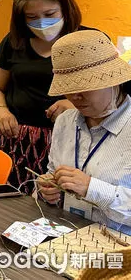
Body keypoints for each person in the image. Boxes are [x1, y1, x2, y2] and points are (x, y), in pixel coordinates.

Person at [0, 0, 88, 194]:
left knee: (55, 204)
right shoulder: (14, 41)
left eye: (50, 14)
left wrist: (75, 105)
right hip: (16, 138)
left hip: (68, 141)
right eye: (31, 17)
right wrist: (0, 110)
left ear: (65, 9)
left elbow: (113, 99)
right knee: (5, 199)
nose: (41, 23)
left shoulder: (87, 42)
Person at [38, 30, 131, 234]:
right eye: (69, 88)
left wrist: (92, 188)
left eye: (86, 86)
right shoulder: (65, 122)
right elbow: (52, 171)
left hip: (118, 244)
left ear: (113, 80)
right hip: (66, 231)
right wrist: (48, 188)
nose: (75, 97)